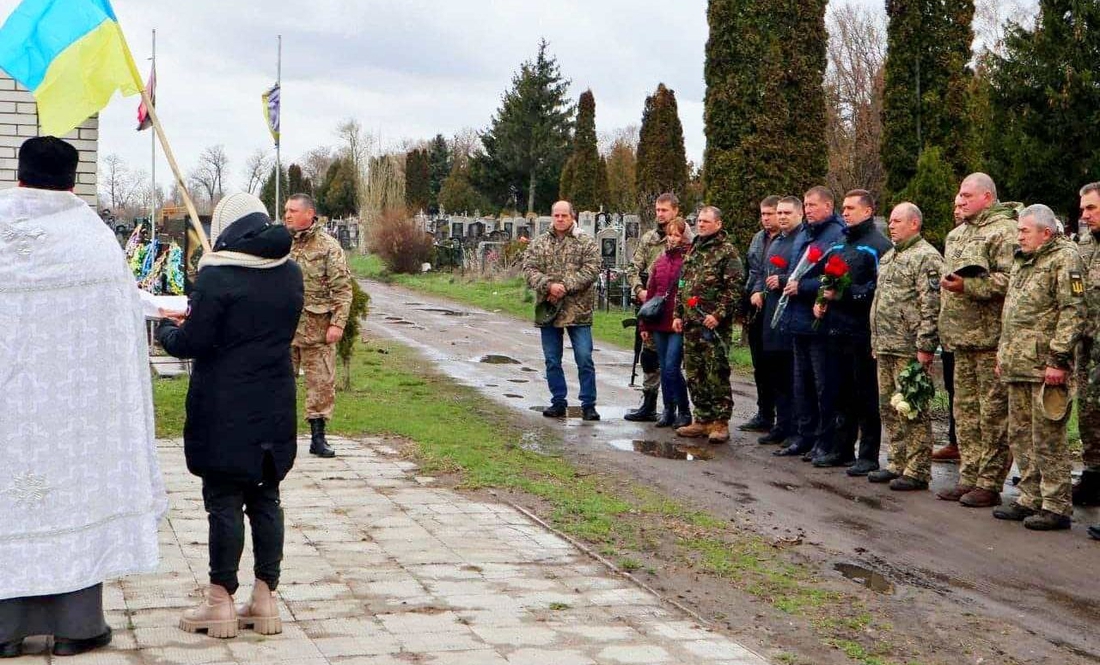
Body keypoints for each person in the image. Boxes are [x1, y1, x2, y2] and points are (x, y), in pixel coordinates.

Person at [0, 137, 166, 658]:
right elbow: (118, 335)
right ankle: (77, 625)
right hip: (73, 419)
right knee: (74, 500)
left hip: (8, 416)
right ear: (72, 181)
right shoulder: (92, 240)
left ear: (20, 173)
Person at [158, 192, 304, 637]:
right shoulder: (291, 273)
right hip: (275, 400)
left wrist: (168, 328)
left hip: (225, 406)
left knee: (224, 501)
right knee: (266, 497)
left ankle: (219, 602)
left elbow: (195, 342)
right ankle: (265, 599)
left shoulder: (217, 278)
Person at [991, 205, 1085, 530]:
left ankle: (1056, 504)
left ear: (1046, 232)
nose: (1019, 236)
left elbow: (1073, 310)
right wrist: (1004, 354)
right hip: (1018, 362)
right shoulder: (1022, 260)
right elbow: (1012, 312)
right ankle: (1030, 496)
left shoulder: (1065, 258)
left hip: (1046, 365)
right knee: (1020, 434)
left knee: (1047, 437)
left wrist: (1058, 359)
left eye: (1024, 231)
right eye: (1018, 231)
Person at [936, 174, 1020, 508]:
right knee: (965, 413)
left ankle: (989, 481)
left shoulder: (1006, 231)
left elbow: (1012, 280)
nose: (959, 200)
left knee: (993, 414)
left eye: (967, 195)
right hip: (961, 339)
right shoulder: (957, 234)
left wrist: (969, 287)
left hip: (990, 339)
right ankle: (969, 475)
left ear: (987, 197)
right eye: (958, 195)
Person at [813, 190, 892, 474]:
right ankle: (842, 448)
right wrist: (822, 299)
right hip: (835, 328)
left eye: (850, 208)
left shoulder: (879, 247)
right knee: (839, 391)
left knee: (865, 394)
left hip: (861, 331)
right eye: (843, 208)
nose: (844, 213)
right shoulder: (839, 243)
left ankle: (868, 454)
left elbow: (877, 289)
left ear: (868, 211)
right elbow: (826, 277)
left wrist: (844, 295)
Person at [868, 203, 945, 490]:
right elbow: (880, 302)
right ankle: (896, 461)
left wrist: (925, 346)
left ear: (914, 224)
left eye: (897, 221)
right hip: (886, 344)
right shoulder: (890, 257)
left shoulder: (926, 257)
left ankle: (918, 468)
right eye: (890, 221)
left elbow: (931, 305)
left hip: (909, 347)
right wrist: (876, 340)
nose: (891, 226)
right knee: (889, 407)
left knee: (912, 408)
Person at [774, 187, 846, 459]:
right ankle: (803, 436)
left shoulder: (835, 234)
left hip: (819, 322)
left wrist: (803, 287)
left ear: (828, 206)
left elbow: (833, 279)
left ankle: (823, 439)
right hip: (797, 320)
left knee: (822, 384)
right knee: (800, 382)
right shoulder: (805, 232)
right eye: (805, 205)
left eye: (813, 205)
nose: (808, 210)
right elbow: (795, 269)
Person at [286, 193, 353, 458]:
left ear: (309, 214)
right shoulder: (279, 243)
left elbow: (343, 290)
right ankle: (280, 437)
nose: (287, 215)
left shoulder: (328, 246)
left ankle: (318, 437)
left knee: (321, 384)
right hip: (284, 329)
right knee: (279, 384)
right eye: (286, 210)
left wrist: (338, 323)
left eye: (293, 210)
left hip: (318, 329)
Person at [523, 200, 602, 421]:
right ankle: (558, 401)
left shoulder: (585, 242)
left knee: (584, 357)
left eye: (563, 216)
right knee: (552, 359)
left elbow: (592, 268)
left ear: (572, 217)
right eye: (556, 215)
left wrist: (565, 286)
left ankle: (588, 403)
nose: (559, 219)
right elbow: (529, 269)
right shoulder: (540, 243)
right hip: (549, 309)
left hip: (578, 310)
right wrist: (548, 285)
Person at [673, 206, 744, 443]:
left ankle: (720, 422)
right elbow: (683, 284)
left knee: (716, 373)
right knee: (695, 373)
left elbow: (734, 289)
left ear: (718, 224)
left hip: (712, 325)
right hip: (691, 323)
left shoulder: (727, 252)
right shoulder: (694, 249)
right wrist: (677, 313)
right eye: (699, 221)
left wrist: (719, 314)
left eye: (706, 221)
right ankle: (701, 418)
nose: (701, 224)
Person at [625, 193, 687, 422]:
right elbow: (634, 268)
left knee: (672, 365)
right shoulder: (649, 238)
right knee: (649, 357)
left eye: (665, 210)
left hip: (675, 311)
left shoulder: (686, 239)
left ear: (675, 211)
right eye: (658, 210)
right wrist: (639, 290)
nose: (660, 214)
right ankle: (649, 403)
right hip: (650, 307)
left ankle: (679, 409)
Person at [639, 217, 692, 429]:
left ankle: (684, 410)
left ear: (684, 237)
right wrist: (644, 325)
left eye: (677, 235)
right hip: (659, 321)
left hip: (677, 322)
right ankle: (668, 409)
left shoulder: (688, 261)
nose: (672, 239)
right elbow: (652, 293)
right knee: (663, 366)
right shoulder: (660, 262)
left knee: (672, 367)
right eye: (670, 234)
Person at [759, 196, 804, 447]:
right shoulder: (777, 241)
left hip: (791, 317)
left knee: (792, 377)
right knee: (776, 376)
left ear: (799, 214)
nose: (782, 216)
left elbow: (804, 273)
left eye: (787, 212)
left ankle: (795, 428)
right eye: (780, 212)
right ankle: (781, 423)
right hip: (772, 315)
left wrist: (784, 279)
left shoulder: (801, 240)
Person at [743, 195, 782, 433]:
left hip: (777, 307)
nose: (766, 219)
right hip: (756, 307)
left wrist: (762, 290)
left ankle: (781, 416)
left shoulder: (789, 239)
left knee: (776, 365)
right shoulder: (759, 239)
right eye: (763, 214)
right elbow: (754, 270)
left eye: (771, 214)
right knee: (760, 365)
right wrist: (752, 292)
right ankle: (764, 412)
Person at [1073, 182, 1100, 507]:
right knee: (1090, 414)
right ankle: (1093, 476)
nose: (1085, 215)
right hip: (1088, 347)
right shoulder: (1085, 245)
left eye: (1091, 208)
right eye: (1083, 209)